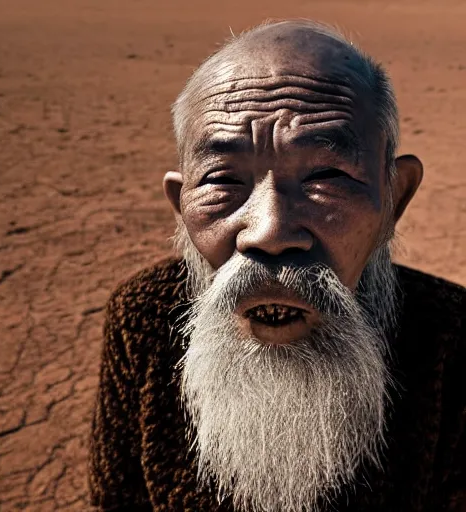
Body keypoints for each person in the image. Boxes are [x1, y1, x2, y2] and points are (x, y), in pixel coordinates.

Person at [88, 20, 465, 512]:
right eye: (222, 179)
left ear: (394, 198)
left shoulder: (452, 338)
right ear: (182, 205)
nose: (267, 232)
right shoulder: (142, 319)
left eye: (327, 176)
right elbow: (118, 498)